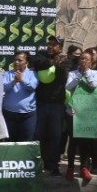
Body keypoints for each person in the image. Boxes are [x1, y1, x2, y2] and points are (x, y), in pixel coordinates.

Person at [34, 35, 68, 176]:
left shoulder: (65, 60)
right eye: (49, 43)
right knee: (38, 135)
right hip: (40, 103)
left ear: (60, 48)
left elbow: (62, 79)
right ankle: (36, 164)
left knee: (55, 136)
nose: (50, 46)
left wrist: (58, 65)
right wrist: (53, 62)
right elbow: (37, 62)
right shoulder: (40, 55)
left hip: (56, 105)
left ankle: (53, 165)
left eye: (54, 44)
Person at [65, 51, 97, 181]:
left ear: (91, 62)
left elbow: (93, 86)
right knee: (73, 141)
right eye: (81, 59)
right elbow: (67, 87)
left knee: (85, 141)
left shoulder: (95, 73)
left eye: (86, 59)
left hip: (87, 111)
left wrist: (86, 73)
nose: (83, 61)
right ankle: (70, 168)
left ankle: (84, 167)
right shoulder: (72, 73)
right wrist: (78, 77)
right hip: (73, 109)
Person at [2, 51, 38, 142]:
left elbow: (32, 87)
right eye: (15, 60)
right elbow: (3, 88)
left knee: (26, 141)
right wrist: (14, 81)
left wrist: (22, 80)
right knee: (10, 141)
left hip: (27, 115)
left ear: (26, 62)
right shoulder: (7, 74)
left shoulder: (33, 74)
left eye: (20, 60)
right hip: (9, 114)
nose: (16, 62)